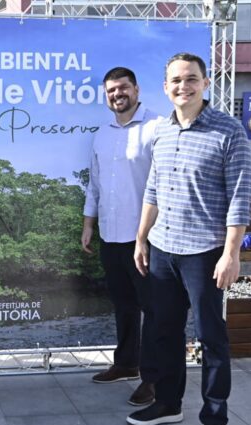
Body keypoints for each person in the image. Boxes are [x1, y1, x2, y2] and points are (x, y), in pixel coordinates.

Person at [130, 53, 251, 425]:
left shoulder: (229, 130)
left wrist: (231, 253)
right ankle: (168, 403)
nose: (183, 86)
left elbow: (240, 196)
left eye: (191, 79)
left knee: (211, 338)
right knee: (164, 333)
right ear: (165, 88)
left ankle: (215, 418)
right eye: (176, 81)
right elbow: (153, 189)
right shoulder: (160, 132)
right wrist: (141, 238)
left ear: (205, 83)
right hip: (163, 250)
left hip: (205, 253)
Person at [81, 66, 162, 406]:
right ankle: (127, 363)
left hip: (146, 239)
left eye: (123, 88)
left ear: (137, 89)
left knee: (155, 310)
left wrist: (146, 236)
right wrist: (88, 224)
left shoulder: (158, 128)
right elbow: (95, 184)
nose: (118, 94)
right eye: (111, 90)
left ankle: (155, 380)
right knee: (124, 306)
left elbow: (164, 187)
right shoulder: (102, 134)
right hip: (110, 236)